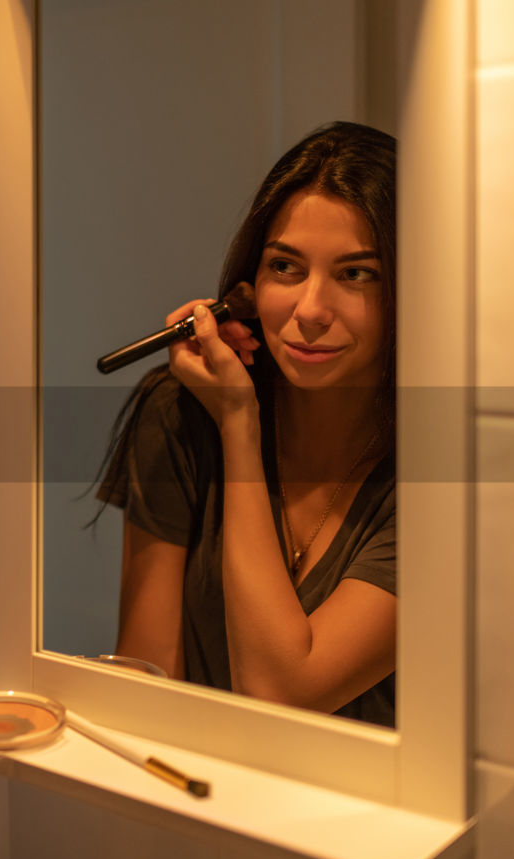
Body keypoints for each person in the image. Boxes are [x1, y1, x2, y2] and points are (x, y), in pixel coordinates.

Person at [99, 121, 397, 727]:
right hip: (204, 797)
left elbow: (281, 694)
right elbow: (148, 677)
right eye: (285, 267)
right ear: (247, 286)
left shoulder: (446, 473)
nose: (310, 311)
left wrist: (239, 422)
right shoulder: (179, 413)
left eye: (356, 274)